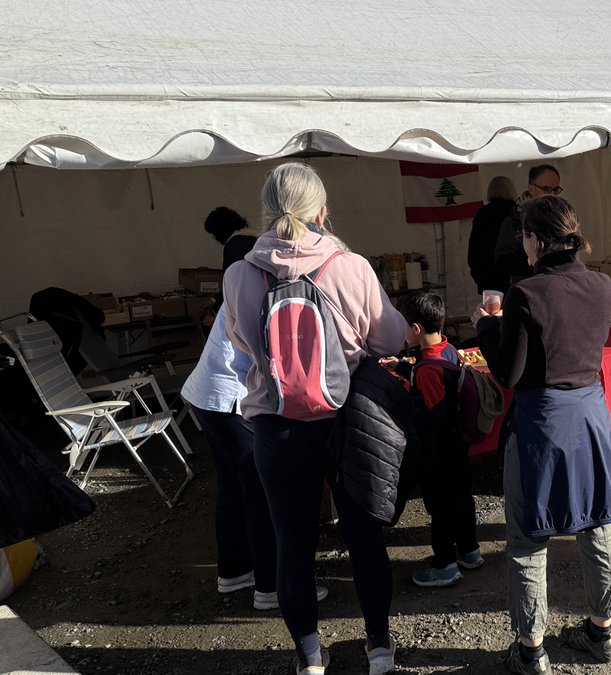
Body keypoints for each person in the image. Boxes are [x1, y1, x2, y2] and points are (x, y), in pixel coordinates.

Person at [223, 162, 408, 675]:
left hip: (275, 423)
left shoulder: (239, 274)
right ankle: (378, 648)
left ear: (265, 212)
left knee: (292, 543)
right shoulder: (351, 266)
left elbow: (242, 342)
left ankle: (309, 656)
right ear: (322, 212)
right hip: (347, 420)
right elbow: (390, 339)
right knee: (364, 536)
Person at [473, 196, 611, 674]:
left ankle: (531, 649)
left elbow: (509, 372)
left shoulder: (526, 292)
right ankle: (602, 632)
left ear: (536, 240)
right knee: (598, 525)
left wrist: (487, 327)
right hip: (591, 416)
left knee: (528, 538)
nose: (522, 244)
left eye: (523, 236)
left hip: (542, 422)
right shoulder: (602, 284)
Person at [181, 305, 286, 610]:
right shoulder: (269, 289)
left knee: (233, 488)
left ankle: (235, 571)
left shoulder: (244, 282)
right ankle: (272, 586)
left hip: (209, 394)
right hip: (229, 396)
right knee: (261, 492)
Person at [400, 293, 483, 588]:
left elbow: (433, 415)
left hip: (438, 450)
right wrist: (405, 368)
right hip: (458, 444)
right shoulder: (449, 350)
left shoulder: (427, 370)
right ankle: (470, 551)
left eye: (405, 325)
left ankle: (445, 565)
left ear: (416, 329)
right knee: (462, 497)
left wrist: (408, 402)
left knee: (440, 506)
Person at [494, 165, 562, 287]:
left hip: (557, 285)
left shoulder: (562, 217)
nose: (552, 195)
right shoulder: (515, 218)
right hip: (528, 287)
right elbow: (503, 260)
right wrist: (532, 259)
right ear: (531, 189)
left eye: (556, 190)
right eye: (546, 189)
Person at [469, 176, 517, 293]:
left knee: (491, 304)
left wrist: (477, 273)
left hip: (486, 274)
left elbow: (474, 246)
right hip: (511, 274)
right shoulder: (515, 212)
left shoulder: (483, 214)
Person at [204, 206, 256, 311]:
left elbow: (231, 284)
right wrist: (215, 300)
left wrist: (214, 310)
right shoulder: (255, 239)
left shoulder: (233, 246)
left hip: (244, 305)